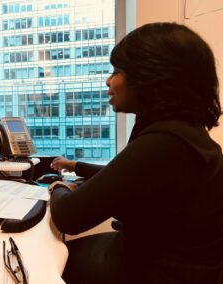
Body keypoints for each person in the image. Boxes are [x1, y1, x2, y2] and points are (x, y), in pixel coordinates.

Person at [49, 22, 223, 284]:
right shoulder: (184, 136)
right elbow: (124, 176)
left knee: (45, 262)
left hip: (153, 270)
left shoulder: (163, 143)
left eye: (117, 71)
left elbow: (68, 217)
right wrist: (75, 166)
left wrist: (58, 186)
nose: (109, 81)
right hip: (170, 262)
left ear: (150, 77)